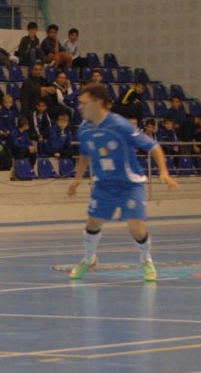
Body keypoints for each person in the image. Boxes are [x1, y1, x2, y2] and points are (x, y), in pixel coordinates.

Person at [67, 84, 178, 282]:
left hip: (129, 184)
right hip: (103, 185)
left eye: (84, 103)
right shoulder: (83, 130)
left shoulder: (120, 125)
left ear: (98, 102)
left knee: (136, 226)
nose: (80, 107)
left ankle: (146, 260)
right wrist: (77, 179)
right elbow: (84, 154)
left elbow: (153, 146)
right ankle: (89, 259)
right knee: (92, 222)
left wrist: (164, 172)